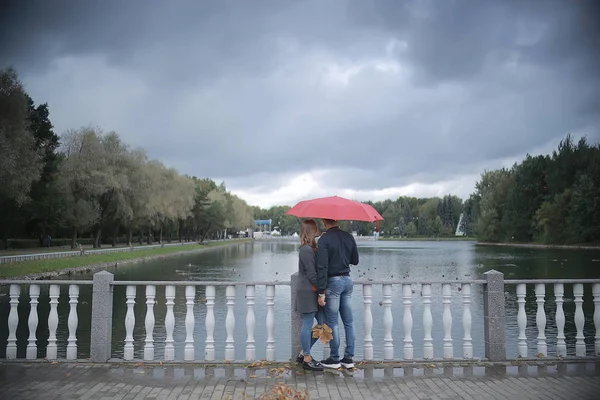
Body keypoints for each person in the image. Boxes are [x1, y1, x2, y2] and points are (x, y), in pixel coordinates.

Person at [316, 218, 359, 369]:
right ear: (337, 220)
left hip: (333, 282)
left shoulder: (324, 239)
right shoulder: (348, 236)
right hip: (347, 281)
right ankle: (348, 358)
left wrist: (321, 292)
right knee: (349, 322)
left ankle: (334, 358)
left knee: (333, 322)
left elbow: (322, 267)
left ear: (324, 221)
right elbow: (355, 260)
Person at [294, 219, 325, 371]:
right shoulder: (306, 249)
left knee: (323, 324)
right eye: (317, 229)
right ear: (311, 231)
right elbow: (312, 274)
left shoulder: (311, 248)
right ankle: (307, 357)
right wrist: (321, 292)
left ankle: (302, 354)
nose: (319, 231)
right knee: (308, 323)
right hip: (308, 291)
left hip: (311, 290)